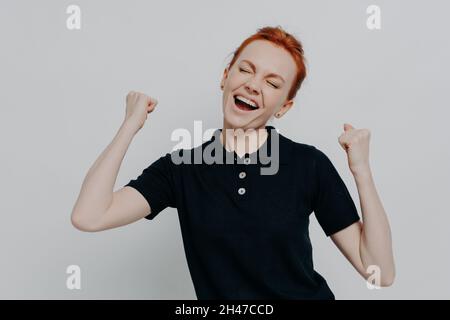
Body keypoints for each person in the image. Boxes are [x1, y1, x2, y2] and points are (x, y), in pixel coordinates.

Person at [71, 26, 395, 299]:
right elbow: (89, 216)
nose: (253, 85)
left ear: (284, 107)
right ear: (225, 77)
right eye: (246, 69)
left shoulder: (308, 165)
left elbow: (379, 272)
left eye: (273, 83)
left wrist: (361, 171)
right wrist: (130, 126)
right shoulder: (182, 167)